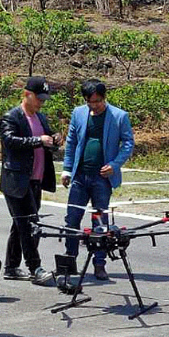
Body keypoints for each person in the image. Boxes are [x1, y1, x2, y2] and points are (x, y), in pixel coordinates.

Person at [61, 79, 134, 281]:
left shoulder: (119, 116)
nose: (95, 105)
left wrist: (115, 164)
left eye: (98, 101)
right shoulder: (78, 113)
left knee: (99, 221)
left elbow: (128, 143)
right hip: (80, 176)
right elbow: (72, 142)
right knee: (72, 219)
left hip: (102, 178)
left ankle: (99, 263)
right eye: (90, 101)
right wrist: (67, 169)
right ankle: (70, 259)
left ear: (104, 98)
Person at [0, 76, 61, 286]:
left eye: (43, 99)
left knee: (21, 224)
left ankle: (11, 267)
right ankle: (35, 267)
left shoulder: (40, 118)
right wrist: (38, 140)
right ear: (27, 94)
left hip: (35, 179)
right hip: (17, 181)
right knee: (30, 225)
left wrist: (55, 139)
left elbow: (48, 139)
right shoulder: (11, 117)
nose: (41, 103)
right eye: (38, 98)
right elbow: (10, 141)